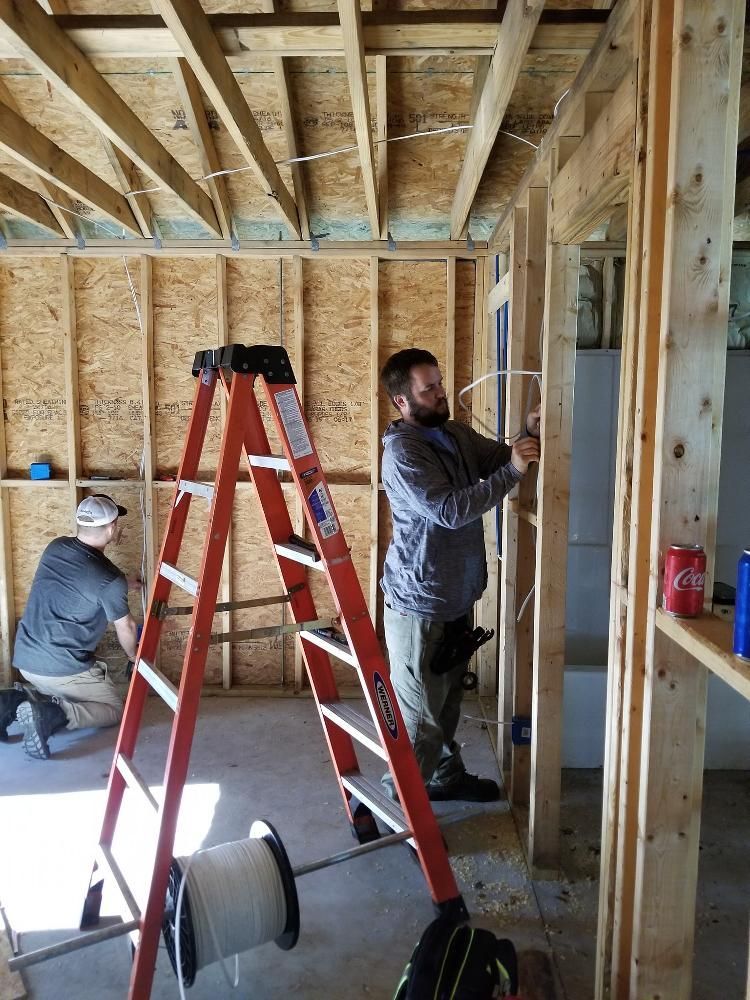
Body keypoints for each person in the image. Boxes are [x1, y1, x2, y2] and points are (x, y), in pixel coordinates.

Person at [379, 348, 540, 802]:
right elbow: (449, 511)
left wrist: (527, 435)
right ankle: (399, 807)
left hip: (454, 597)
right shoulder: (404, 453)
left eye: (439, 382)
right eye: (428, 388)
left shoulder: (454, 433)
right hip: (421, 606)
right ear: (402, 401)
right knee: (421, 720)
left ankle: (445, 779)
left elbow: (498, 459)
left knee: (447, 704)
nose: (441, 392)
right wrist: (513, 471)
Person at [0, 494, 140, 760]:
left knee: (60, 690)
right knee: (113, 708)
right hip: (62, 669)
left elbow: (83, 578)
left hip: (26, 661)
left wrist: (124, 584)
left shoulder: (56, 547)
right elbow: (128, 627)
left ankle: (11, 701)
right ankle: (53, 714)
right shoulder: (109, 581)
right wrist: (134, 657)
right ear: (112, 528)